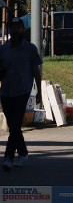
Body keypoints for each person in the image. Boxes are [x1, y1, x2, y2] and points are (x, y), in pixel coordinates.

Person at [0, 17, 42, 172]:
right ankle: (23, 152)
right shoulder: (3, 49)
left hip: (23, 91)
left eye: (18, 27)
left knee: (16, 124)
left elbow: (36, 71)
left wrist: (39, 92)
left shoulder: (30, 48)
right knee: (13, 127)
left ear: (23, 29)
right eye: (12, 28)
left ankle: (8, 158)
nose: (15, 30)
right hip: (6, 92)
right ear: (9, 30)